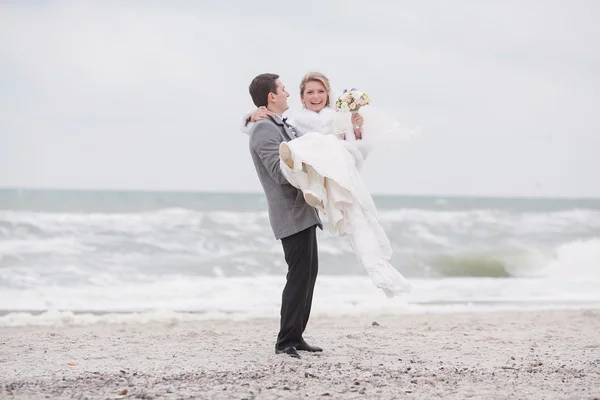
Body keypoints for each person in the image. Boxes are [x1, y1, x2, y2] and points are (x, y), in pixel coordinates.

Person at [243, 72, 411, 297]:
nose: (316, 96)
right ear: (302, 97)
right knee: (302, 272)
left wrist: (356, 130)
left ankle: (379, 268)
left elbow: (354, 153)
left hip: (331, 180)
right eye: (310, 92)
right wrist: (252, 116)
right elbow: (277, 143)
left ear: (328, 94)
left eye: (321, 91)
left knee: (357, 225)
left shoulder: (338, 118)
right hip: (308, 188)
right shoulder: (292, 123)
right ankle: (291, 333)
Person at [246, 73, 324, 359]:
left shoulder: (280, 124)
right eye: (283, 89)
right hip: (290, 213)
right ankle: (285, 341)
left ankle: (297, 335)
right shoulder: (264, 129)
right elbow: (279, 172)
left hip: (304, 211)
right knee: (298, 276)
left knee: (308, 275)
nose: (288, 94)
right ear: (271, 96)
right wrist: (309, 171)